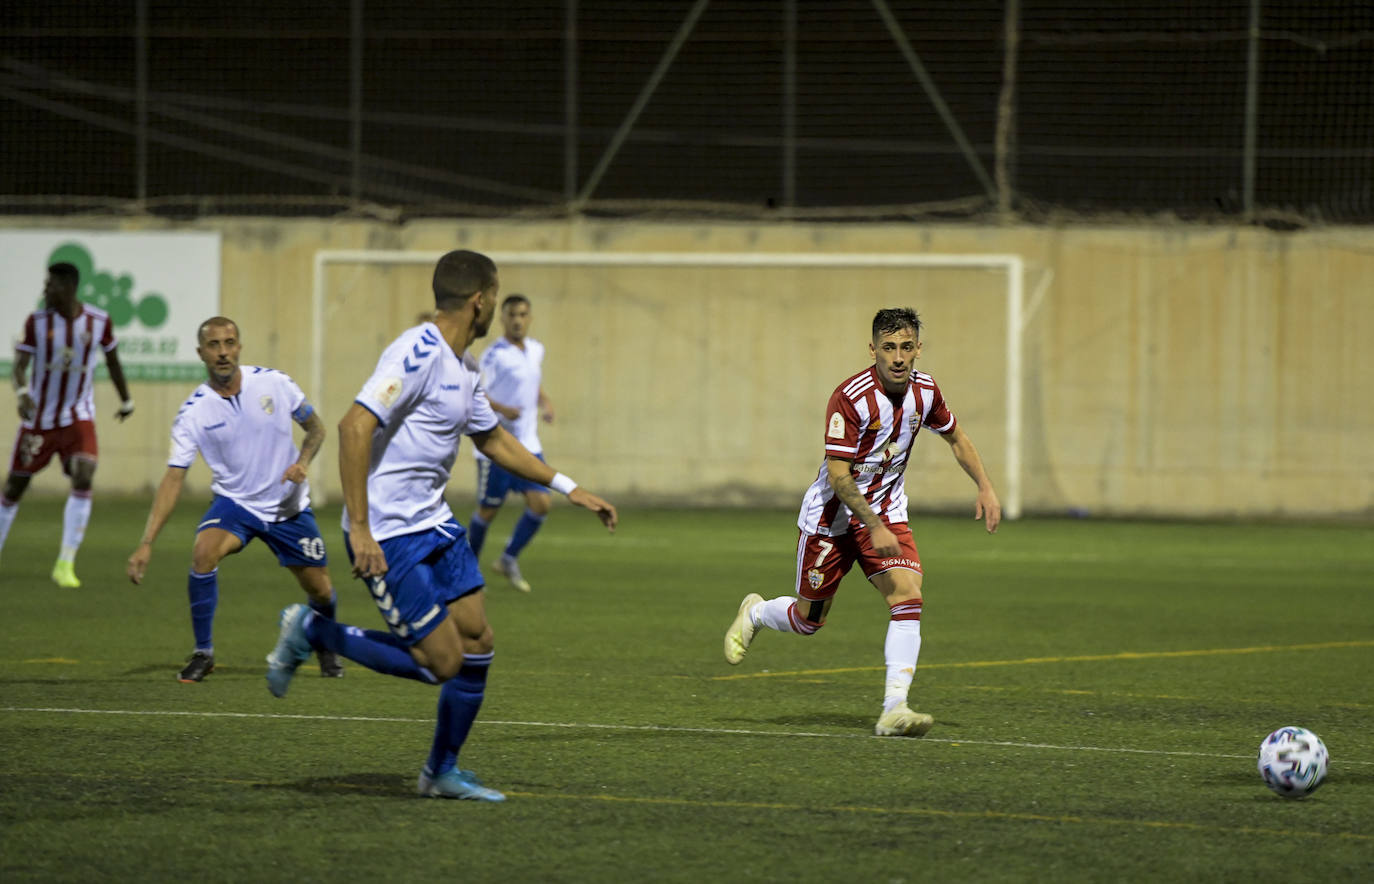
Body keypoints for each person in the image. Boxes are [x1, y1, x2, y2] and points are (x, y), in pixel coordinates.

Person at [263, 249, 617, 802]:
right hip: (388, 532)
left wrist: (570, 487)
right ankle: (311, 632)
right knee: (441, 663)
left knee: (477, 641)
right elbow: (354, 426)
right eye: (495, 297)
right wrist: (360, 528)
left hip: (435, 523)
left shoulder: (463, 368)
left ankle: (440, 773)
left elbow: (495, 440)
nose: (496, 307)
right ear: (480, 300)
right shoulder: (418, 351)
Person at [723, 307, 1000, 737]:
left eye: (907, 347)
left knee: (908, 595)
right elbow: (838, 475)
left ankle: (895, 708)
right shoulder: (849, 398)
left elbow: (956, 437)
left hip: (887, 513)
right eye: (889, 348)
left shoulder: (926, 392)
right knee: (807, 620)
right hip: (832, 520)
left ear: (918, 349)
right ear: (873, 350)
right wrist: (870, 524)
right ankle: (756, 612)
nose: (898, 357)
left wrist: (984, 484)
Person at [125, 317, 344, 684]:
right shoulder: (193, 412)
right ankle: (204, 652)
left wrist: (302, 463)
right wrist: (147, 542)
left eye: (229, 343)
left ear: (239, 346)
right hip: (236, 505)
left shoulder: (275, 383)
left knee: (320, 589)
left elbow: (316, 428)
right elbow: (174, 477)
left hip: (287, 506)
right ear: (201, 353)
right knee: (203, 552)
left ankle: (326, 645)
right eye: (214, 345)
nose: (223, 352)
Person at [0, 262, 134, 587]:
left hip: (78, 416)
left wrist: (126, 400)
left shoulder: (98, 321)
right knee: (14, 487)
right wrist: (20, 393)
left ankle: (65, 563)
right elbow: (19, 364)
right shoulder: (37, 322)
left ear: (69, 288)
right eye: (46, 285)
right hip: (39, 420)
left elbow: (113, 361)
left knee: (84, 473)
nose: (46, 290)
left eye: (52, 285)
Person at [467, 294, 556, 593]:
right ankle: (469, 573)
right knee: (488, 512)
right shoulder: (494, 356)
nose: (518, 320)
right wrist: (503, 409)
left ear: (529, 318)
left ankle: (508, 558)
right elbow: (477, 391)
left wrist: (545, 402)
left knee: (541, 503)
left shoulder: (535, 350)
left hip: (529, 444)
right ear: (502, 319)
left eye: (523, 314)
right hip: (498, 447)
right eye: (512, 315)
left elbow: (533, 381)